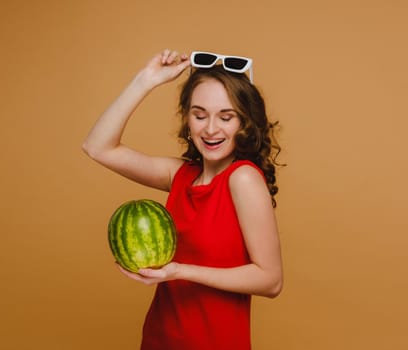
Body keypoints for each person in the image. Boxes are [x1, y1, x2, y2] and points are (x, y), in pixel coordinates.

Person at [82, 49, 283, 350]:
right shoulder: (180, 175)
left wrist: (178, 271)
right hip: (160, 338)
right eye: (199, 115)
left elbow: (270, 280)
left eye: (226, 117)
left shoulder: (243, 178)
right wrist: (145, 81)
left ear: (245, 123)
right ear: (187, 119)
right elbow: (97, 147)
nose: (211, 129)